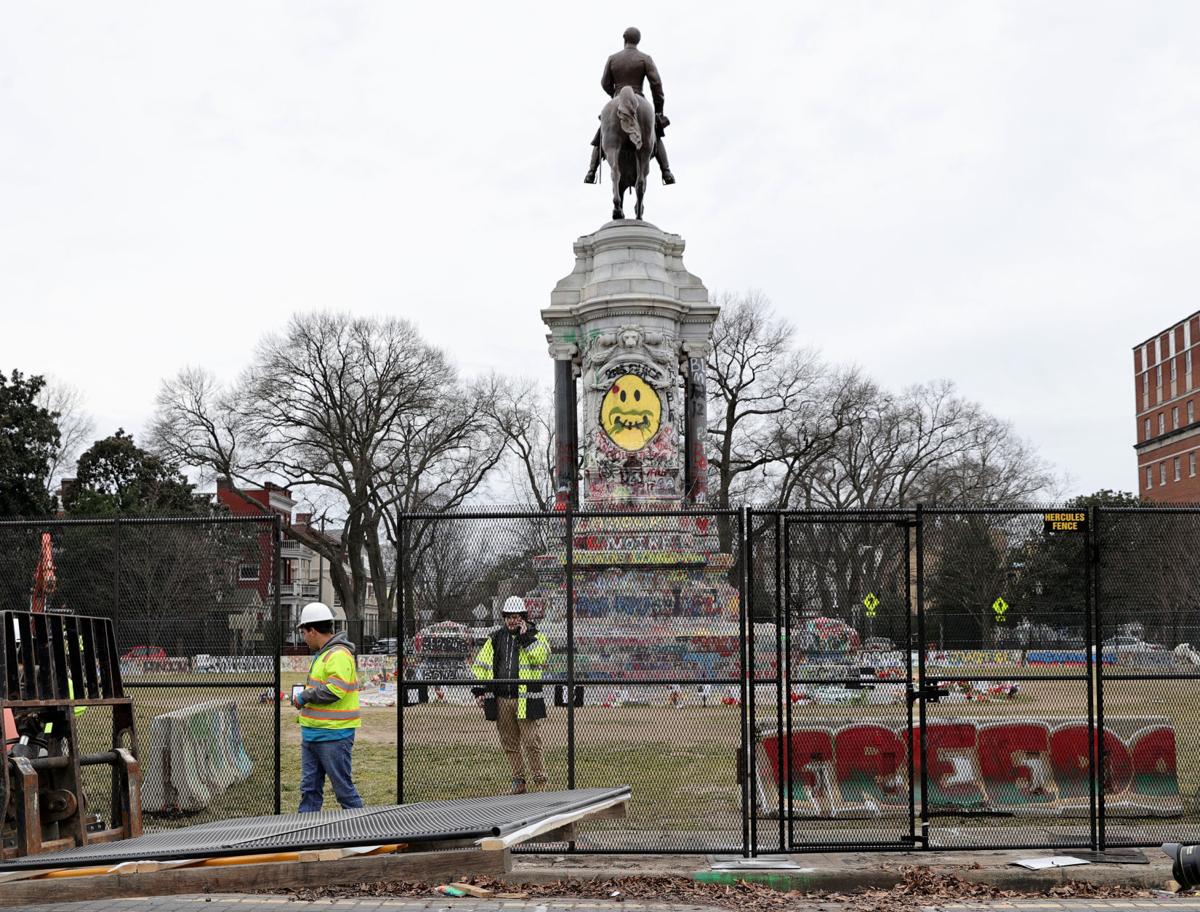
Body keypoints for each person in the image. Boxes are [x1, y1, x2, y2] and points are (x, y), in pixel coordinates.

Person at [470, 596, 551, 795]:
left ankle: (540, 782)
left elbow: (541, 657)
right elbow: (481, 665)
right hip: (502, 699)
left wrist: (525, 639)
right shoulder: (496, 638)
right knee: (510, 743)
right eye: (508, 617)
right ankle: (518, 782)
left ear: (523, 617)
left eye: (515, 617)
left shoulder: (536, 636)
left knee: (532, 742)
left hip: (525, 700)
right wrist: (480, 691)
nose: (511, 621)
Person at [291, 602, 364, 813]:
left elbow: (334, 690)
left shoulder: (338, 654)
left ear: (313, 630)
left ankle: (365, 837)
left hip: (334, 735)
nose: (304, 638)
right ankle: (306, 836)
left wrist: (304, 696)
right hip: (314, 733)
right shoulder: (324, 654)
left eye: (304, 632)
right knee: (309, 790)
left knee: (343, 791)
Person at [584, 27, 675, 185]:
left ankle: (591, 172)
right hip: (639, 97)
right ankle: (666, 172)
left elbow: (604, 83)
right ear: (637, 40)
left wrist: (615, 97)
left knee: (601, 136)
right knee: (656, 135)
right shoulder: (645, 58)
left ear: (624, 38)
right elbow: (656, 85)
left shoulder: (612, 58)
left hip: (618, 97)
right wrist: (658, 111)